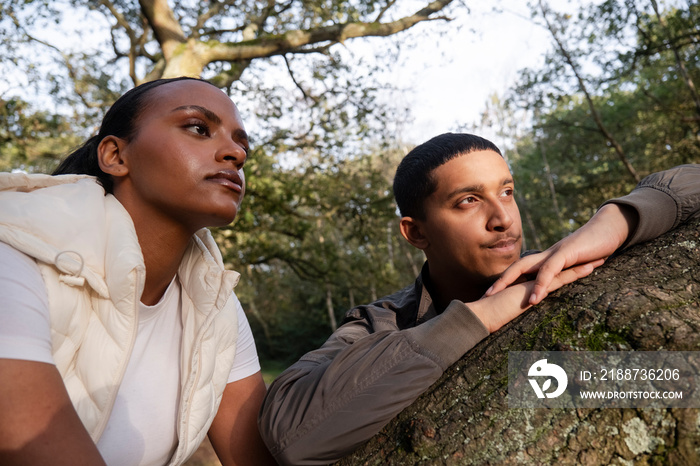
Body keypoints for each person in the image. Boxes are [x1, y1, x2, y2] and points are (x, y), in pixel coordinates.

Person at [258, 132, 700, 465]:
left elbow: (675, 382)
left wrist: (616, 219)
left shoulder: (568, 275)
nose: (503, 218)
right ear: (416, 232)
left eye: (506, 191)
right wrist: (480, 317)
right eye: (469, 200)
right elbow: (290, 435)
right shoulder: (382, 322)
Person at [0, 77, 276, 465]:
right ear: (115, 155)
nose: (236, 154)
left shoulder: (214, 304)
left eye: (242, 145)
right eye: (199, 128)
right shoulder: (14, 257)